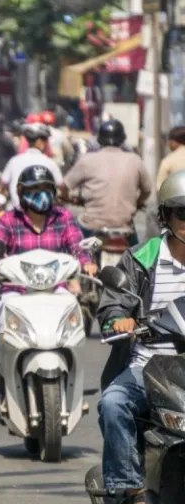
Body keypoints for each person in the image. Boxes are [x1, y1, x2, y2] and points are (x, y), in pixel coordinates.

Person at [95, 171, 185, 504]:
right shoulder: (141, 259)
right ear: (165, 217)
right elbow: (114, 303)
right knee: (114, 404)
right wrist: (119, 320)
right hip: (149, 366)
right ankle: (130, 487)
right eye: (182, 213)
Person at [0, 165, 96, 287]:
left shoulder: (63, 217)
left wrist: (86, 263)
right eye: (34, 188)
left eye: (46, 188)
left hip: (56, 290)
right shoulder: (9, 220)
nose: (41, 193)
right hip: (16, 291)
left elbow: (78, 246)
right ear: (21, 191)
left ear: (53, 191)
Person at [63, 119, 151, 242]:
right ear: (122, 139)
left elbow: (64, 186)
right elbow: (147, 190)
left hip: (91, 225)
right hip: (124, 226)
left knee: (74, 249)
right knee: (136, 257)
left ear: (99, 140)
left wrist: (66, 198)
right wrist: (137, 203)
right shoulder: (135, 160)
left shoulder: (87, 160)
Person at [0, 123, 64, 210]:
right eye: (46, 141)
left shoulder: (14, 161)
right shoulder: (49, 163)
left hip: (15, 211)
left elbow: (3, 183)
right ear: (40, 143)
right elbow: (61, 185)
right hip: (41, 215)